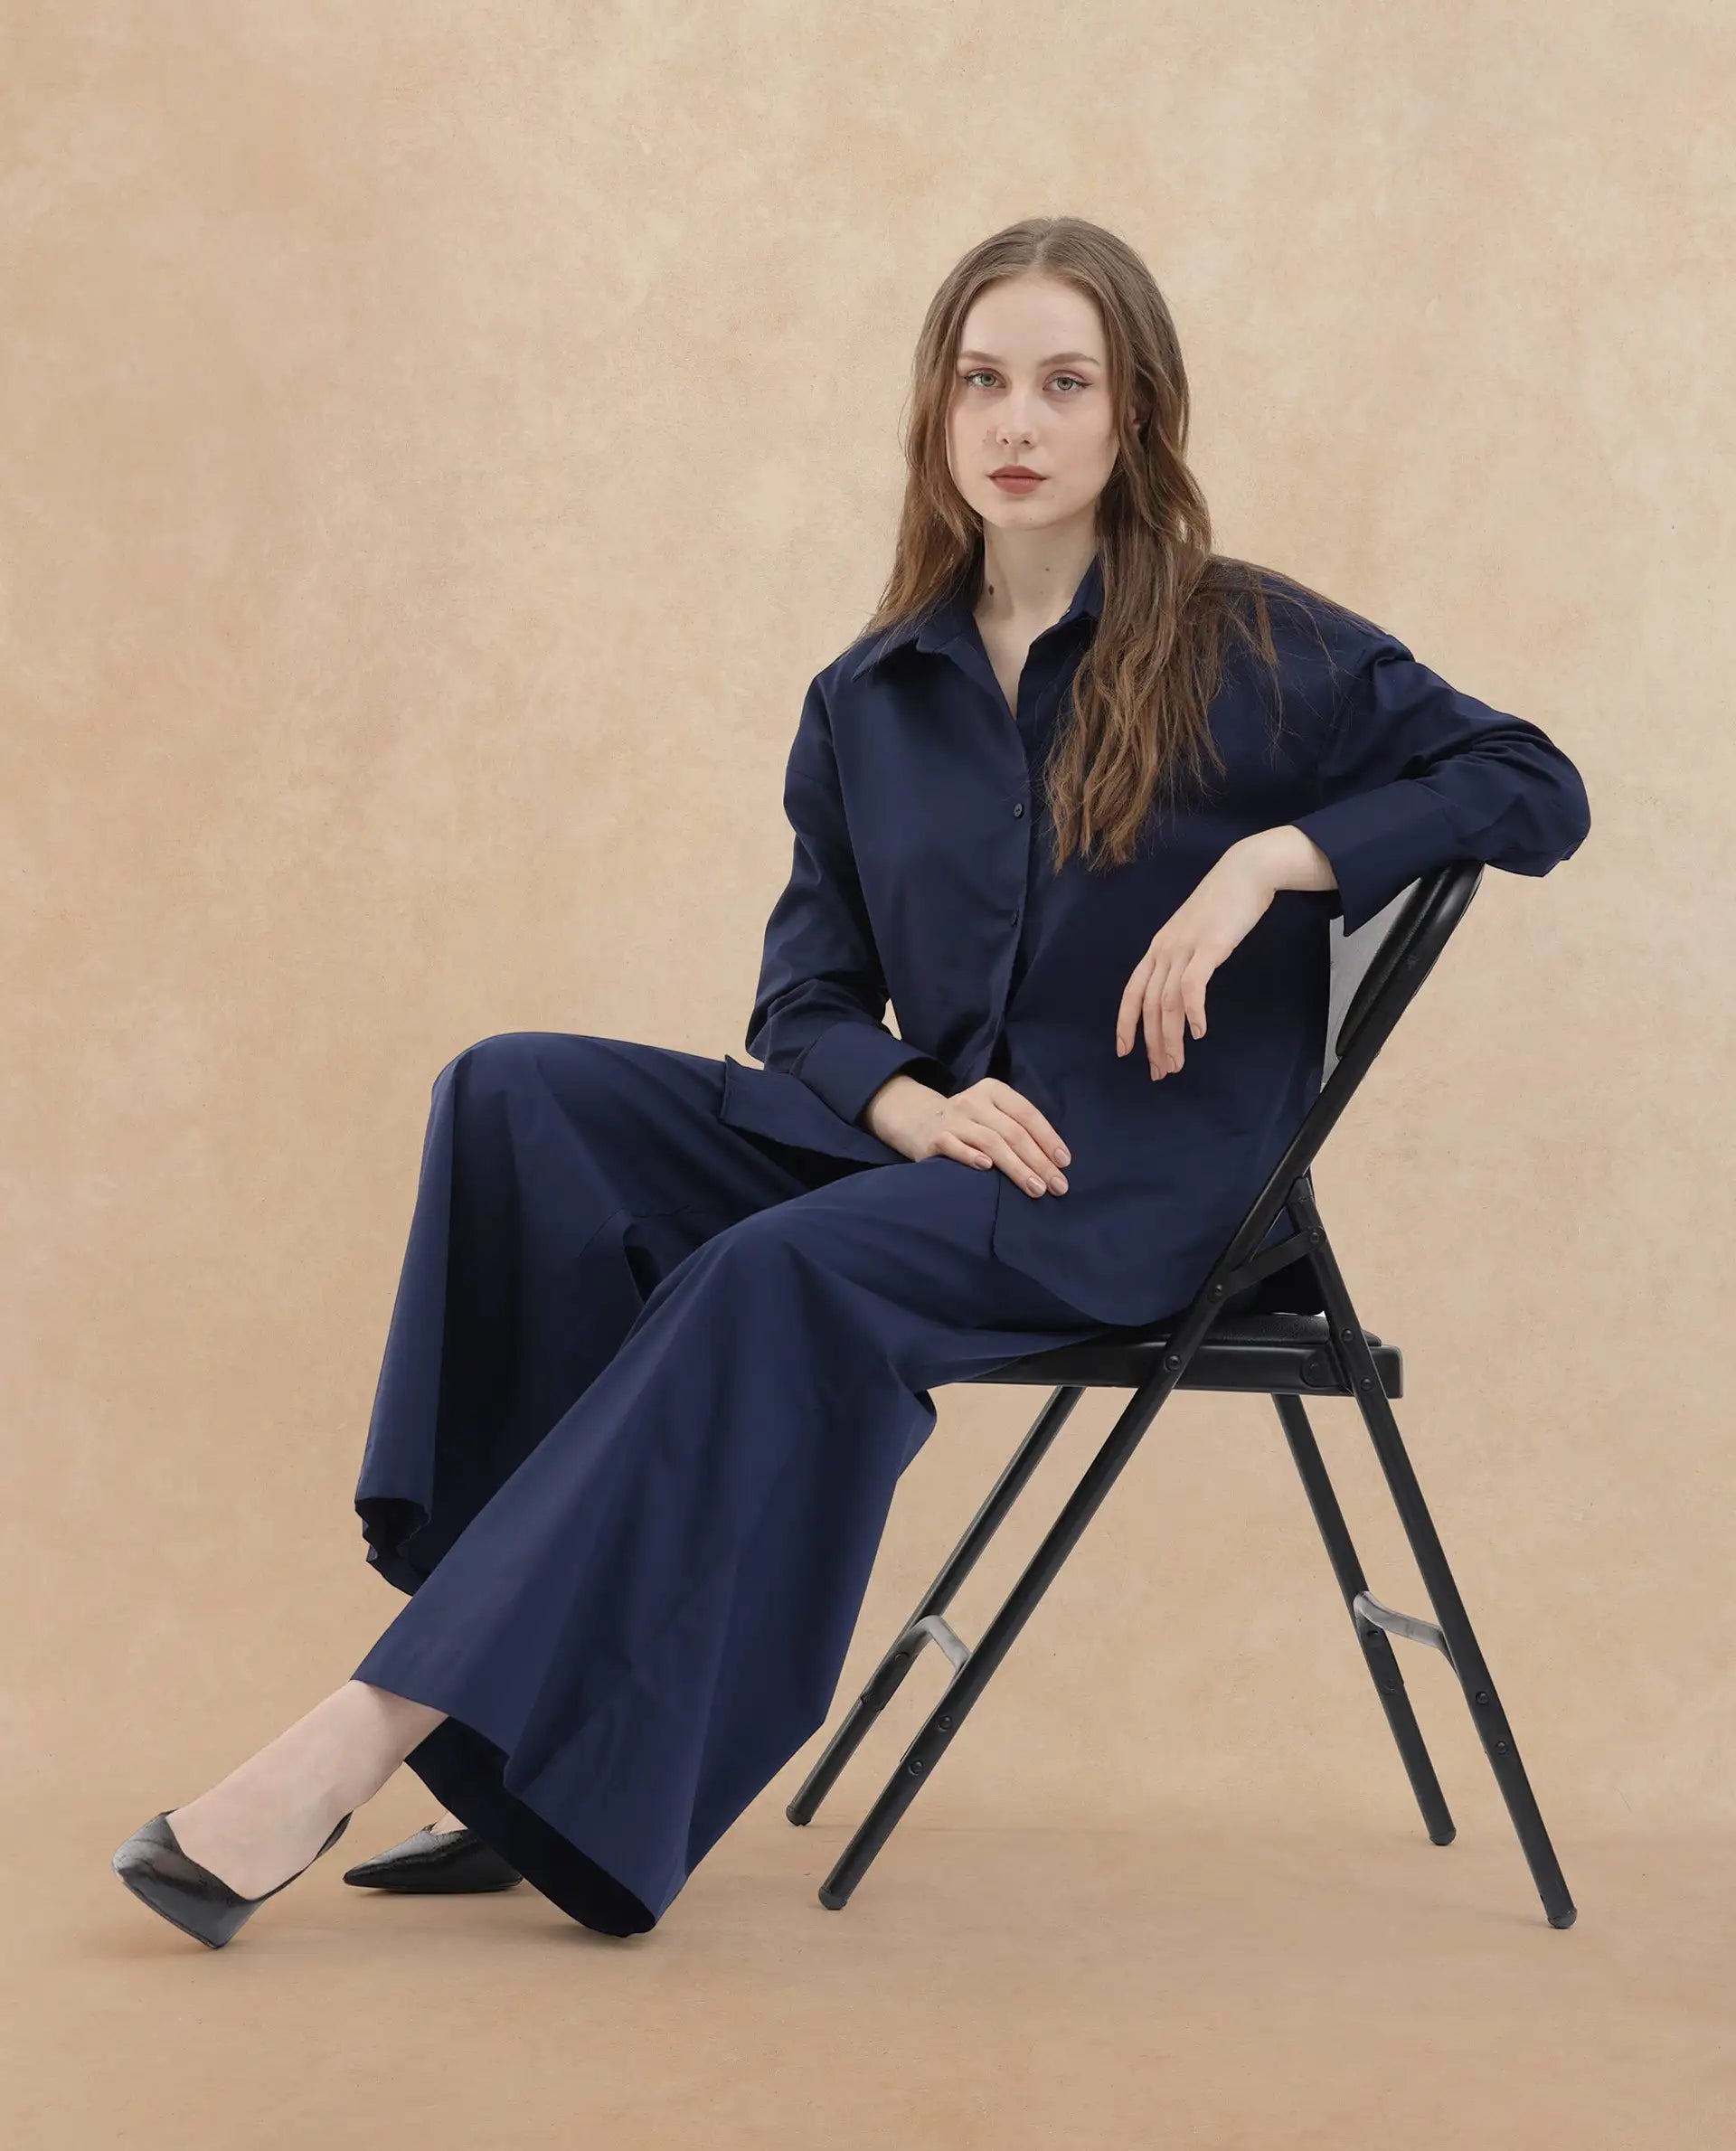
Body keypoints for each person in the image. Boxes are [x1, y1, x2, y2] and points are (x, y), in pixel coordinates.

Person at [111, 214, 1591, 1948]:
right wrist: (904, 1103)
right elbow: (804, 1000)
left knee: (770, 1271)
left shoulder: (1256, 647)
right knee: (515, 1098)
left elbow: (1534, 782)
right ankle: (523, 1742)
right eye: (982, 382)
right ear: (936, 410)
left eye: (1065, 383)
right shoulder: (870, 696)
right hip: (927, 1154)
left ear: (1134, 413)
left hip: (1127, 1191)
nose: (1017, 422)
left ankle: (367, 1732)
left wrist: (1274, 860)